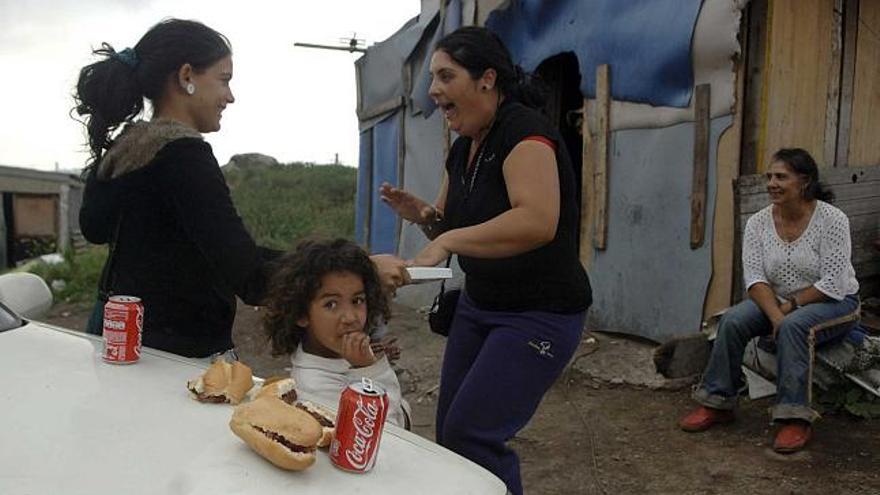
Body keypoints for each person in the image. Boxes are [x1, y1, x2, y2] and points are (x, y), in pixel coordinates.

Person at [75, 19, 408, 358]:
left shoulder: (128, 148)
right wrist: (359, 274)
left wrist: (351, 262)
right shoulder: (184, 155)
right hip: (172, 358)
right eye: (224, 80)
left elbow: (96, 228)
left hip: (116, 338)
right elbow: (249, 276)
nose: (230, 97)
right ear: (186, 76)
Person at [380, 26, 591, 494]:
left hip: (538, 314)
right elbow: (449, 229)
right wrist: (425, 217)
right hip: (480, 307)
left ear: (486, 79)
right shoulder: (463, 147)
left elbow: (537, 222)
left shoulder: (526, 133)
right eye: (433, 78)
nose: (433, 90)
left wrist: (448, 238)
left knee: (473, 434)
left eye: (445, 76)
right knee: (452, 439)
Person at [679, 148, 860, 453]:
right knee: (733, 320)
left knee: (794, 327)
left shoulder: (832, 219)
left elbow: (832, 282)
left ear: (804, 181)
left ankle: (795, 418)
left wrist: (788, 310)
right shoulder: (758, 223)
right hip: (777, 301)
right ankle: (718, 400)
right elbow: (755, 280)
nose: (772, 183)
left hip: (835, 300)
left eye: (781, 177)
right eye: (769, 177)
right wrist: (776, 315)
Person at [262, 238, 410, 428]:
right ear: (300, 314)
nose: (350, 317)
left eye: (357, 300)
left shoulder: (340, 354)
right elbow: (389, 434)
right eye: (331, 304)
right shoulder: (314, 387)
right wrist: (369, 369)